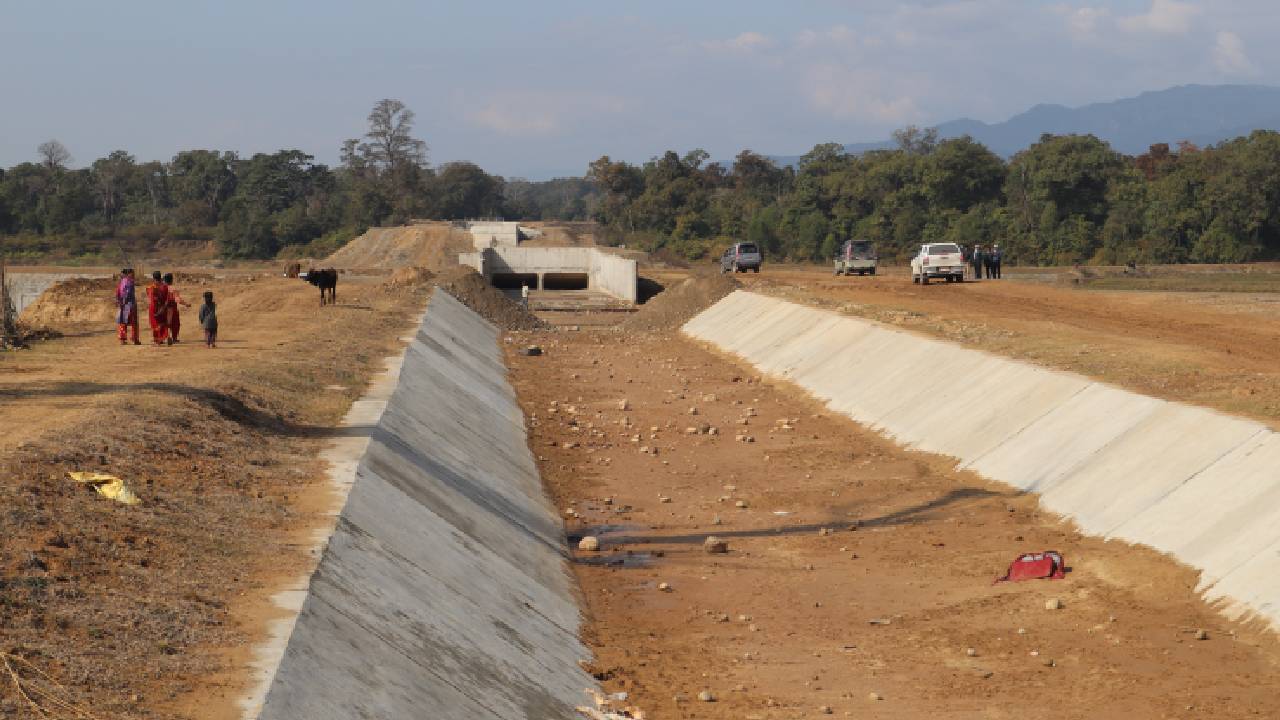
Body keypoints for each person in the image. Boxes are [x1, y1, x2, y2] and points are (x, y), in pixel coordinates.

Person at [162, 273, 190, 343]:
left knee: (165, 323)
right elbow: (177, 299)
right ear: (171, 280)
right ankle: (174, 338)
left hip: (163, 309)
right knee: (175, 324)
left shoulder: (161, 288)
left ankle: (164, 337)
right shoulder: (172, 289)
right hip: (172, 308)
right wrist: (186, 304)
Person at [115, 268, 140, 345]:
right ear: (129, 273)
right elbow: (127, 293)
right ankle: (135, 339)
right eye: (133, 273)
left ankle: (122, 339)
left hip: (124, 304)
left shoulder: (122, 282)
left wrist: (119, 301)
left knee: (123, 322)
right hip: (130, 304)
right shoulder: (130, 282)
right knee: (134, 322)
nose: (134, 275)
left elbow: (118, 292)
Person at [145, 270, 171, 346]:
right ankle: (165, 337)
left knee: (155, 324)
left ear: (153, 278)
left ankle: (158, 340)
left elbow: (149, 295)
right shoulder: (165, 286)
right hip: (163, 307)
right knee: (162, 323)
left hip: (154, 308)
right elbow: (167, 297)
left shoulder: (151, 287)